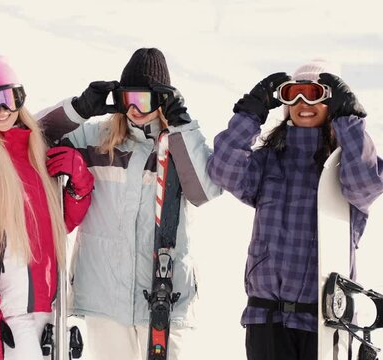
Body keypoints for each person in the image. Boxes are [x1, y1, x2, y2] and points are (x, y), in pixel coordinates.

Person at [36, 47, 222, 360]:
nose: (134, 109)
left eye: (145, 99)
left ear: (163, 100)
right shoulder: (96, 138)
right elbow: (26, 137)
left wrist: (182, 126)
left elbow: (204, 190)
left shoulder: (178, 143)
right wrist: (78, 110)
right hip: (104, 296)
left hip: (165, 296)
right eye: (128, 99)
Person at [206, 60, 383, 360]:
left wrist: (350, 120)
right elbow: (223, 170)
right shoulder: (268, 161)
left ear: (332, 103)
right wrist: (250, 114)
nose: (303, 103)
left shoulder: (346, 165)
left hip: (324, 324)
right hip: (267, 317)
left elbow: (365, 185)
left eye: (314, 94)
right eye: (293, 94)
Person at [0, 55, 93, 360]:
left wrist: (80, 184)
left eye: (9, 98)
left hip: (54, 309)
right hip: (12, 314)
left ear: (20, 97)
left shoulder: (37, 147)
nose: (2, 111)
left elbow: (58, 225)